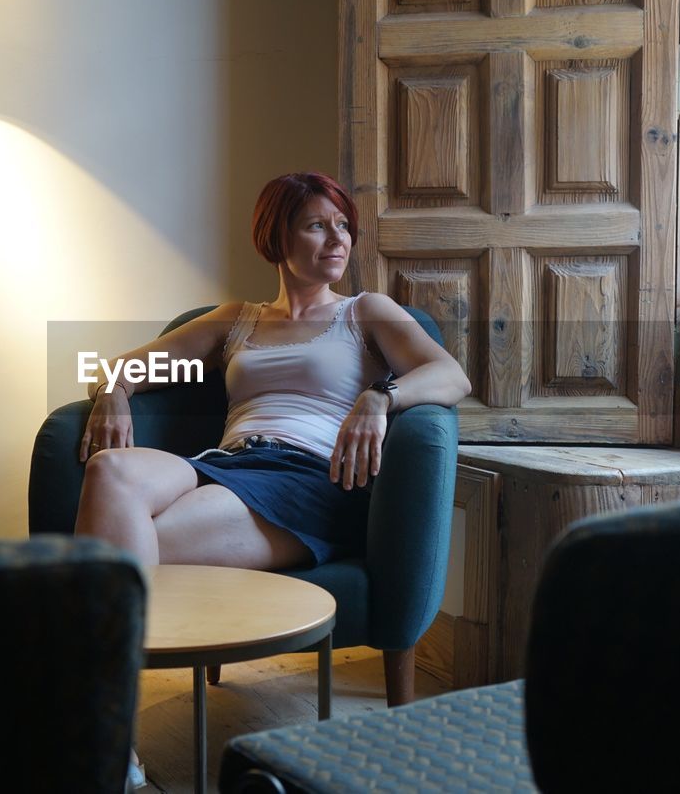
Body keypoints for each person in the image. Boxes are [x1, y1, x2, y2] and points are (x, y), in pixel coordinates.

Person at [75, 171, 471, 571]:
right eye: (317, 226)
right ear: (277, 238)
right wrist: (114, 392)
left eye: (344, 226)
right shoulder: (236, 320)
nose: (338, 240)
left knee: (124, 540)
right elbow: (120, 368)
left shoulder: (365, 311)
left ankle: (103, 632)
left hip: (309, 478)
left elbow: (452, 376)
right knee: (108, 469)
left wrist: (380, 397)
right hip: (227, 462)